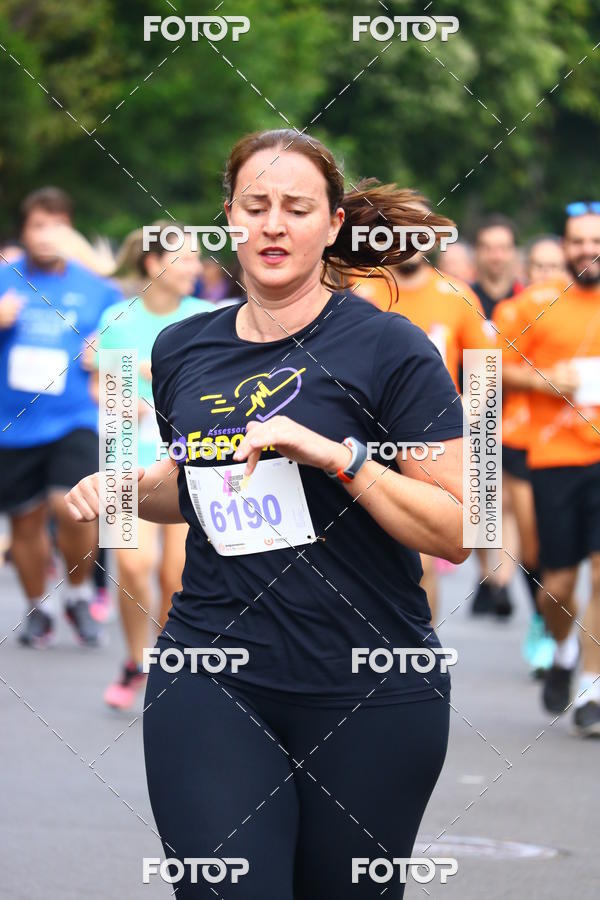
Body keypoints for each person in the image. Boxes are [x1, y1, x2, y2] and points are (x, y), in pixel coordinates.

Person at [66, 128, 469, 899]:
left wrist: (341, 457)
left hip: (369, 682)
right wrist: (119, 487)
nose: (274, 224)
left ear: (333, 225)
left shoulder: (392, 348)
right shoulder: (184, 348)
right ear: (231, 222)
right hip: (213, 671)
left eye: (296, 207)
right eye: (256, 206)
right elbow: (199, 486)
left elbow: (456, 524)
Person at [348, 224, 494, 623]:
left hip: (431, 442)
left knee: (421, 561)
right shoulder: (362, 288)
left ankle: (420, 648)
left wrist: (468, 427)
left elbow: (484, 371)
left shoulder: (457, 294)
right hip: (366, 440)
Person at [93, 222, 212, 709]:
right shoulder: (117, 316)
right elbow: (99, 386)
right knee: (133, 566)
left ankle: (165, 663)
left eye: (198, 259)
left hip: (185, 458)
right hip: (124, 452)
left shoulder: (205, 316)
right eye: (185, 259)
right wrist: (124, 399)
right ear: (152, 265)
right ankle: (134, 657)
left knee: (175, 576)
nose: (197, 268)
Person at [0, 187, 121, 647]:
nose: (46, 235)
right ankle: (39, 608)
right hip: (12, 424)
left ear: (68, 229)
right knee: (25, 521)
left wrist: (102, 353)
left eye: (56, 225)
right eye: (37, 226)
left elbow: (120, 349)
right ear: (25, 232)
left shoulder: (99, 290)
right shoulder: (4, 280)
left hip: (74, 417)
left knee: (73, 508)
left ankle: (78, 590)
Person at [499, 202, 600, 736]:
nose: (588, 250)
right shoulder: (535, 305)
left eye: (595, 240)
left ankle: (591, 687)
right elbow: (488, 366)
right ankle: (561, 649)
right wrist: (542, 381)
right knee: (556, 581)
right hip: (556, 459)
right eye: (578, 241)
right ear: (565, 246)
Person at [493, 236, 567, 675]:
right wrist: (540, 380)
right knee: (533, 542)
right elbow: (489, 367)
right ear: (526, 271)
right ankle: (543, 616)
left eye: (555, 266)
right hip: (521, 438)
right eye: (538, 266)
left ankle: (570, 641)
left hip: (577, 441)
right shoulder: (512, 312)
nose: (547, 275)